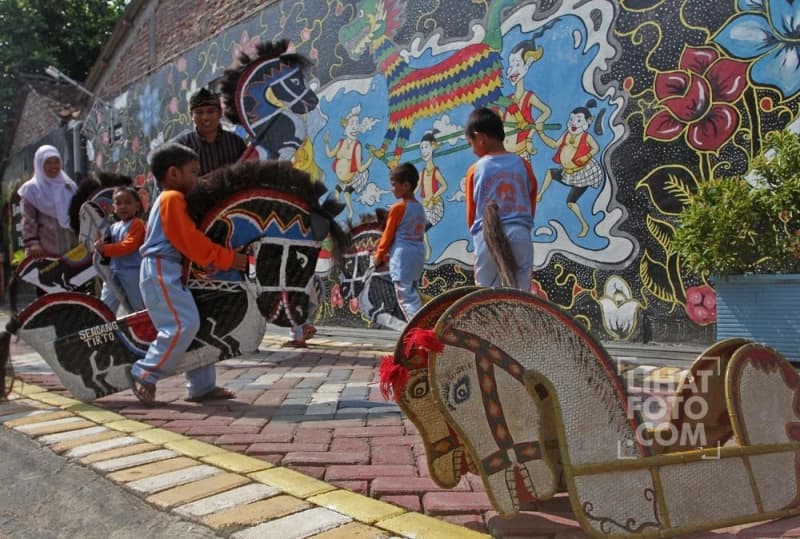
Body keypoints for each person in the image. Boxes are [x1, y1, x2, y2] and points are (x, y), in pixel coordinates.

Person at [126, 143, 248, 405]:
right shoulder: (172, 198)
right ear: (173, 173)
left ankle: (202, 386)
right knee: (182, 324)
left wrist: (205, 263)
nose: (198, 178)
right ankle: (144, 371)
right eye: (193, 172)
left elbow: (186, 244)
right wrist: (226, 258)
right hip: (161, 269)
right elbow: (188, 240)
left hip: (169, 269)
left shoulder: (172, 200)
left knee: (197, 324)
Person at [464, 107, 537, 290]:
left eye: (470, 143)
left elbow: (471, 214)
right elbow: (531, 201)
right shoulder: (523, 165)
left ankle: (491, 319)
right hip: (519, 232)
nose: (472, 149)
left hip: (486, 235)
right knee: (522, 293)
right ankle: (520, 318)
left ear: (480, 138)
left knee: (485, 293)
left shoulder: (475, 169)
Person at [537, 100, 603, 238]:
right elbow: (554, 144)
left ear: (586, 122)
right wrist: (541, 133)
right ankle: (540, 194)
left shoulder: (586, 136)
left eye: (578, 120)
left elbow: (596, 147)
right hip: (568, 173)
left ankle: (584, 225)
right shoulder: (567, 134)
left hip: (583, 174)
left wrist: (587, 156)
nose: (573, 123)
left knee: (571, 203)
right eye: (572, 119)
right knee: (550, 173)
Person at [373, 162, 426, 321]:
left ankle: (419, 331)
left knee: (405, 298)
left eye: (394, 185)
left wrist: (379, 256)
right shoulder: (420, 208)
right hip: (417, 255)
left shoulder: (398, 208)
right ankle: (422, 325)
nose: (392, 189)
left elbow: (388, 235)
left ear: (406, 185)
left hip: (402, 257)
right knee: (412, 293)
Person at [18, 145, 78, 258]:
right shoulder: (31, 189)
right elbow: (28, 219)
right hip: (44, 250)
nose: (53, 166)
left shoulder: (69, 186)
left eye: (56, 162)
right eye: (48, 162)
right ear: (39, 164)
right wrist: (33, 244)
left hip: (73, 246)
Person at [94, 186, 146, 314]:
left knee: (138, 305)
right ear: (113, 207)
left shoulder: (137, 224)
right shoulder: (113, 227)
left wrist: (104, 249)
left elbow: (128, 246)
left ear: (137, 206)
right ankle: (104, 329)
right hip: (113, 272)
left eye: (128, 202)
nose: (123, 206)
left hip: (132, 272)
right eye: (118, 203)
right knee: (105, 306)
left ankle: (147, 331)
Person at [173, 88, 247, 176]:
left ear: (220, 113)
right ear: (191, 115)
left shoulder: (236, 142)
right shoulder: (181, 146)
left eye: (211, 111)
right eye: (199, 112)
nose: (205, 118)